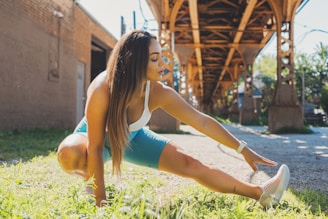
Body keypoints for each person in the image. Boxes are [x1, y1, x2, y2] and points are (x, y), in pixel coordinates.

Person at [57, 30, 290, 208]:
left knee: (192, 165)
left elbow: (203, 122)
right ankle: (92, 189)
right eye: (156, 59)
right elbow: (96, 147)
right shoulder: (102, 88)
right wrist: (101, 204)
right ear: (135, 62)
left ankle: (261, 194)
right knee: (70, 153)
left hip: (133, 139)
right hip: (95, 139)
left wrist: (242, 148)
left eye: (162, 58)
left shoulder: (159, 93)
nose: (164, 65)